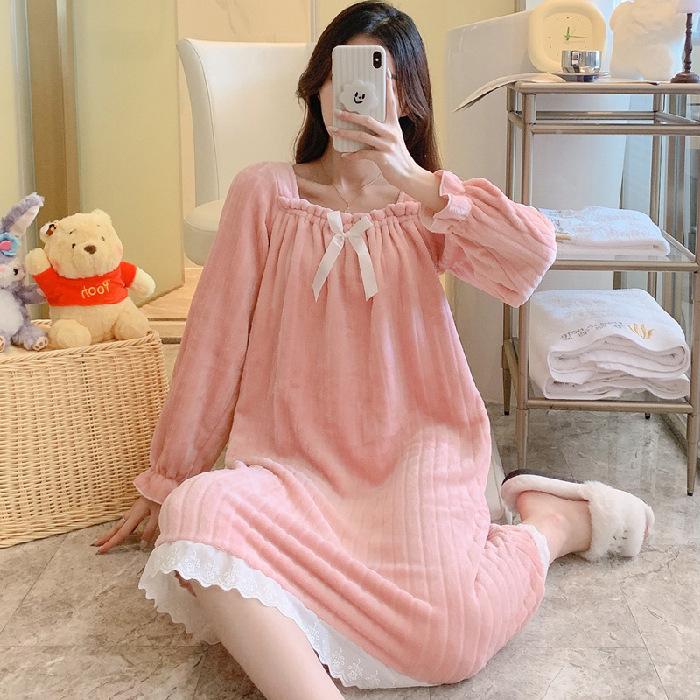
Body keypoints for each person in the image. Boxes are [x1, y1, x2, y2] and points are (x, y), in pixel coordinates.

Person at [92, 3, 654, 699]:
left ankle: (550, 526)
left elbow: (530, 256)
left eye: (382, 78)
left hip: (416, 448)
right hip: (291, 463)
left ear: (407, 100)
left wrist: (414, 178)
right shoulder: (266, 192)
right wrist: (169, 475)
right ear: (317, 86)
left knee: (450, 637)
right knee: (199, 513)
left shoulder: (429, 208)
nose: (356, 92)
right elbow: (214, 342)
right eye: (343, 72)